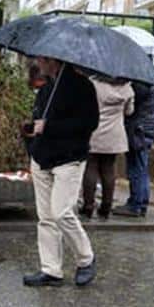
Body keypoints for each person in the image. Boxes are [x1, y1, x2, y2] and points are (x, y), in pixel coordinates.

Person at [22, 57, 98, 287]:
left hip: (69, 159)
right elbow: (39, 121)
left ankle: (86, 259)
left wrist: (50, 127)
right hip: (42, 157)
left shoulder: (82, 87)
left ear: (54, 60)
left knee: (61, 212)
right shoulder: (47, 88)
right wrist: (32, 136)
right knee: (45, 217)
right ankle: (51, 269)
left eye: (43, 58)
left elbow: (89, 124)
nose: (38, 61)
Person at [79, 77, 134, 220]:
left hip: (94, 131)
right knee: (109, 169)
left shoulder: (93, 84)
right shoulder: (127, 88)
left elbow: (84, 106)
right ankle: (106, 207)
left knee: (90, 167)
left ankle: (88, 206)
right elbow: (129, 111)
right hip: (114, 134)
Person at [113, 82, 154, 217]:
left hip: (138, 131)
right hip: (145, 130)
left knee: (136, 169)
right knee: (142, 168)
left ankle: (135, 204)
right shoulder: (150, 86)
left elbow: (131, 107)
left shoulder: (141, 87)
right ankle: (141, 203)